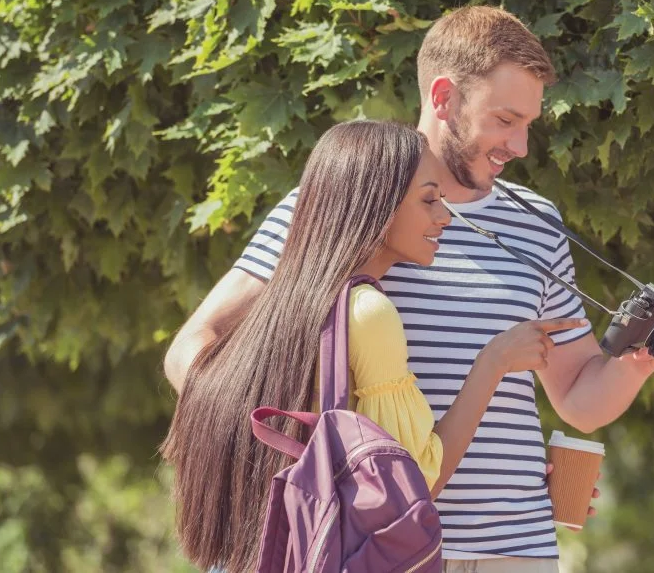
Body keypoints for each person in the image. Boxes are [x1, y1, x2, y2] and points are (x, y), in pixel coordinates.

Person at [164, 6, 654, 572]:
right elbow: (195, 346)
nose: (521, 144)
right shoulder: (338, 204)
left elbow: (579, 400)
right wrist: (305, 452)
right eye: (505, 119)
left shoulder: (537, 221)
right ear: (443, 98)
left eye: (529, 123)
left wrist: (634, 363)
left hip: (514, 548)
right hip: (377, 546)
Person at [161, 121, 587, 572]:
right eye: (428, 200)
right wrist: (493, 362)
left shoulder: (287, 303)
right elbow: (420, 482)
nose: (443, 216)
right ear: (376, 207)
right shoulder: (368, 312)